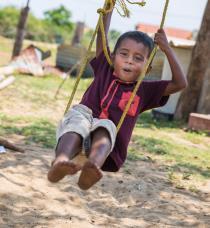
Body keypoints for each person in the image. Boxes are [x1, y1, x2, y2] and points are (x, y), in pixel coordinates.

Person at [47, 1, 187, 190]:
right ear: (112, 56)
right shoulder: (105, 67)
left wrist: (167, 49)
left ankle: (92, 167)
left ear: (148, 68)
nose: (129, 61)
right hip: (79, 130)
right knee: (77, 118)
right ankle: (61, 161)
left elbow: (180, 84)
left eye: (138, 58)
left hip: (105, 146)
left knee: (106, 126)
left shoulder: (145, 90)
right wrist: (109, 8)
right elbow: (102, 37)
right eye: (124, 54)